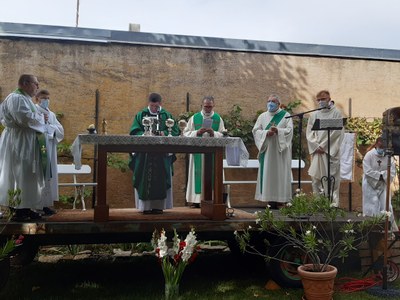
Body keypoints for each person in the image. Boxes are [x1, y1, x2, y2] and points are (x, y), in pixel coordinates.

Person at [0, 74, 46, 220]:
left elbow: (31, 115)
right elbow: (24, 118)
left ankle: (25, 207)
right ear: (25, 83)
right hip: (18, 141)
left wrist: (39, 116)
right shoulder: (16, 98)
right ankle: (17, 210)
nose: (38, 87)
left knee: (27, 174)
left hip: (25, 139)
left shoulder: (25, 99)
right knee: (19, 173)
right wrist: (41, 118)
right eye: (36, 83)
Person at [129, 93, 179, 214]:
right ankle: (145, 207)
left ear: (160, 104)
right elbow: (134, 131)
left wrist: (164, 134)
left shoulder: (167, 116)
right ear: (149, 103)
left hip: (161, 153)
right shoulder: (141, 115)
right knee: (143, 177)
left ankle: (158, 206)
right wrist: (144, 134)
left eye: (156, 106)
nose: (154, 108)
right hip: (144, 154)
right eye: (152, 106)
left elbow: (175, 131)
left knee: (161, 177)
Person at [183, 96, 226, 208]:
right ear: (202, 105)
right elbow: (186, 133)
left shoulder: (218, 118)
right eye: (206, 106)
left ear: (213, 105)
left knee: (212, 174)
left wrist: (213, 133)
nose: (207, 108)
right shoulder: (194, 118)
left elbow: (222, 134)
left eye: (210, 106)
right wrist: (197, 132)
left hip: (213, 154)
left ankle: (210, 199)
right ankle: (196, 201)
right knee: (197, 173)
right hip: (198, 153)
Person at [252, 94, 293, 206]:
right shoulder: (262, 116)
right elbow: (255, 131)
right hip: (267, 151)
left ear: (278, 104)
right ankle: (270, 201)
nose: (270, 103)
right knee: (268, 174)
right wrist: (266, 133)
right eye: (269, 101)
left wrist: (278, 131)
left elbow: (289, 131)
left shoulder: (286, 115)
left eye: (273, 101)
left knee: (280, 174)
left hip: (280, 152)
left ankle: (281, 200)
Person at [306, 90, 344, 206]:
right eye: (319, 100)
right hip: (318, 151)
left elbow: (337, 133)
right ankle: (318, 203)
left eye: (323, 99)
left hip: (330, 151)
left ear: (329, 99)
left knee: (332, 178)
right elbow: (309, 132)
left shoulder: (337, 113)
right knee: (316, 178)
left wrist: (324, 146)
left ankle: (332, 205)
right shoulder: (314, 114)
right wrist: (316, 146)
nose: (321, 102)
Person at [34, 89, 64, 215]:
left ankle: (46, 204)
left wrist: (50, 127)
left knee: (48, 176)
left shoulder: (51, 114)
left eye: (48, 98)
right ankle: (36, 205)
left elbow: (60, 130)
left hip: (49, 149)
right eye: (43, 98)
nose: (46, 101)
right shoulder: (34, 111)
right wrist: (44, 123)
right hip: (38, 149)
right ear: (37, 99)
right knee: (39, 175)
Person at [362, 137, 399, 232]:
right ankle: (372, 231)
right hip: (370, 185)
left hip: (383, 185)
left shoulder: (388, 156)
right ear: (377, 144)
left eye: (384, 147)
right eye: (381, 146)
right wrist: (381, 175)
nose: (382, 149)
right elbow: (367, 171)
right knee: (372, 207)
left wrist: (382, 176)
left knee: (387, 207)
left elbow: (392, 171)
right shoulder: (369, 155)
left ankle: (388, 231)